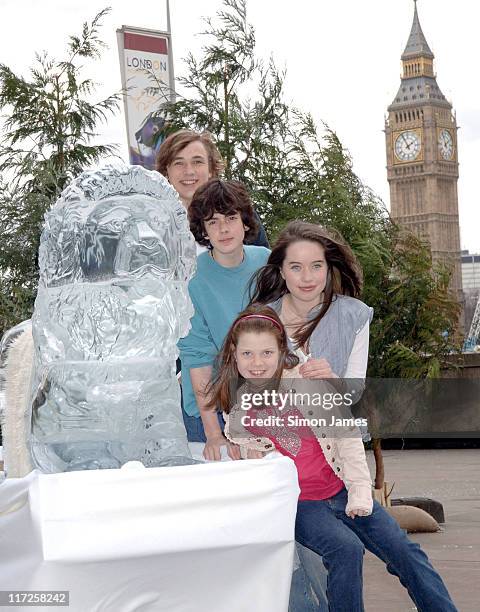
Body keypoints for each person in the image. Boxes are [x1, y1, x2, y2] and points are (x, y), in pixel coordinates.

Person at [208, 303, 458, 612]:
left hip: (341, 490)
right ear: (234, 353)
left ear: (281, 351)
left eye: (266, 353)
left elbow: (348, 439)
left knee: (404, 551)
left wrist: (359, 491)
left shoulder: (310, 383)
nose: (257, 363)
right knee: (346, 549)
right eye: (247, 354)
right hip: (302, 505)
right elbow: (256, 455)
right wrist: (246, 450)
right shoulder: (238, 408)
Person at [177, 179, 270, 459]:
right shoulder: (192, 280)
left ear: (245, 222)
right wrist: (215, 434)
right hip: (211, 410)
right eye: (213, 221)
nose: (224, 228)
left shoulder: (267, 263)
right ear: (203, 230)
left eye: (231, 217)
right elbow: (197, 358)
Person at [156, 129, 269, 252]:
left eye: (197, 162)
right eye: (179, 163)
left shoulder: (238, 210)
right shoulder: (153, 221)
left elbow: (264, 266)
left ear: (210, 169)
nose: (189, 171)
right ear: (166, 171)